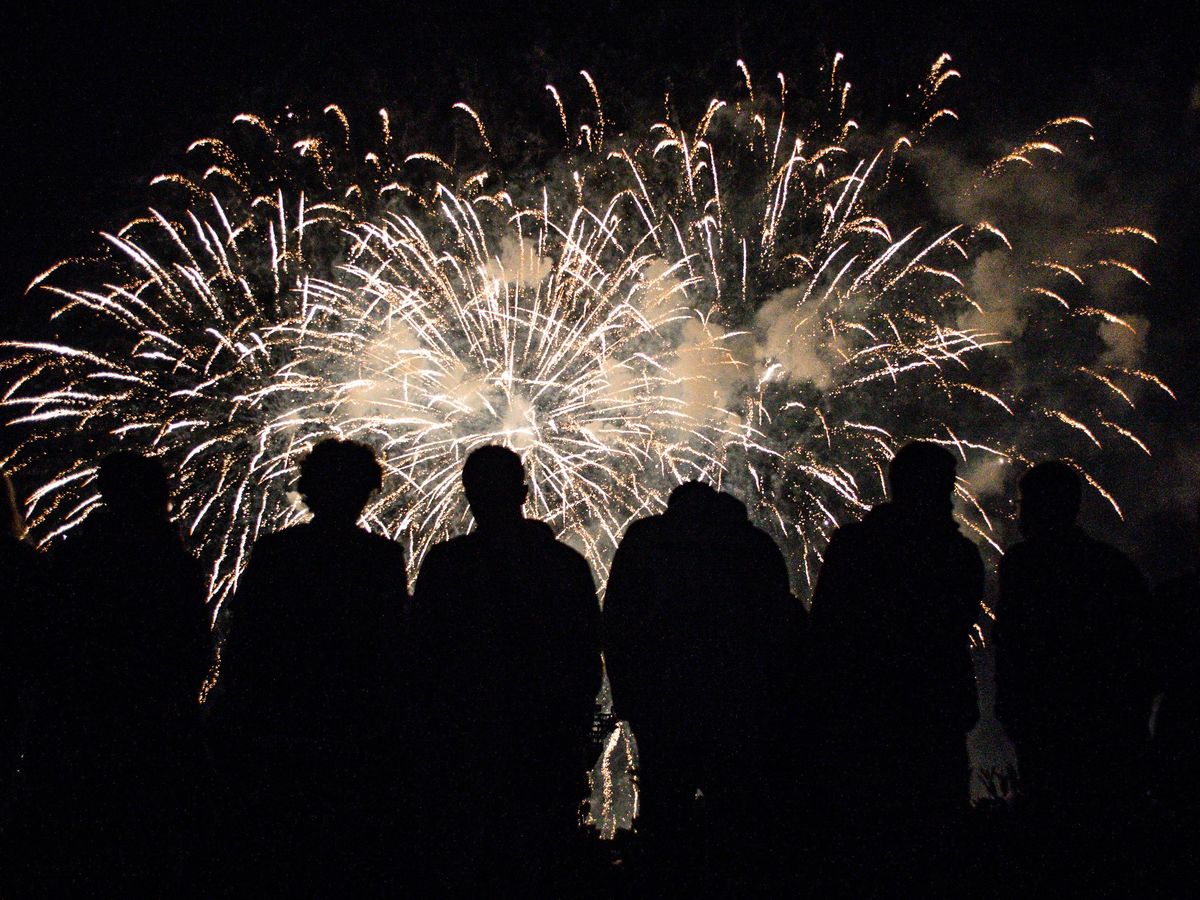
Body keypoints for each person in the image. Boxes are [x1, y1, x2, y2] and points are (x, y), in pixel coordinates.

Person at [215, 438, 408, 892]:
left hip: (278, 728)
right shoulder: (380, 559)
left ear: (308, 490)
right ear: (365, 493)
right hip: (356, 732)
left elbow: (245, 643)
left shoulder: (275, 554)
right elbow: (395, 648)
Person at [410, 445, 601, 892]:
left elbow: (420, 656)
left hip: (463, 750)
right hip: (544, 746)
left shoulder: (447, 565)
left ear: (467, 495)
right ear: (525, 493)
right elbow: (586, 659)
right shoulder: (565, 566)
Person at [21, 451, 210, 893]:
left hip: (80, 725)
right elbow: (193, 649)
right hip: (153, 725)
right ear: (159, 496)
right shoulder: (173, 564)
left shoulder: (75, 557)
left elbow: (51, 643)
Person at [604, 481, 804, 889]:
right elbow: (779, 628)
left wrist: (629, 696)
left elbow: (617, 622)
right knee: (737, 817)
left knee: (665, 812)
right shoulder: (751, 546)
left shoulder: (647, 542)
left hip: (663, 706)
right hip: (738, 708)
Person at [807, 442, 982, 885]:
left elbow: (824, 630)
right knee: (936, 849)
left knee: (867, 847)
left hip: (863, 721)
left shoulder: (854, 546)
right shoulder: (957, 555)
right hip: (931, 717)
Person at [994, 460, 1152, 811]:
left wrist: (1013, 710)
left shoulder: (1023, 566)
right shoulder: (1114, 567)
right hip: (1107, 730)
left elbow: (1011, 644)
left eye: (1024, 503)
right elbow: (1143, 656)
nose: (1019, 514)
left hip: (1049, 726)